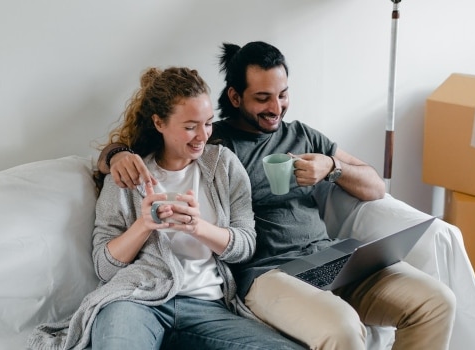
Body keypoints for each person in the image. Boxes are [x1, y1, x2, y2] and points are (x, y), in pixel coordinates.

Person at [98, 42, 457, 350]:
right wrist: (115, 155)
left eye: (282, 95)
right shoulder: (216, 144)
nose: (276, 107)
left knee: (436, 302)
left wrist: (332, 167)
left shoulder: (303, 135)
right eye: (262, 98)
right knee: (342, 328)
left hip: (330, 259)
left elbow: (375, 187)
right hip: (269, 274)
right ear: (236, 97)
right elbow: (141, 151)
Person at [27, 67, 303, 350]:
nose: (202, 135)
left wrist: (198, 227)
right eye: (189, 126)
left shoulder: (223, 165)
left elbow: (245, 246)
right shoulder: (126, 175)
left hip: (206, 306)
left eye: (207, 123)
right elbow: (104, 268)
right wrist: (144, 224)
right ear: (159, 123)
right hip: (136, 300)